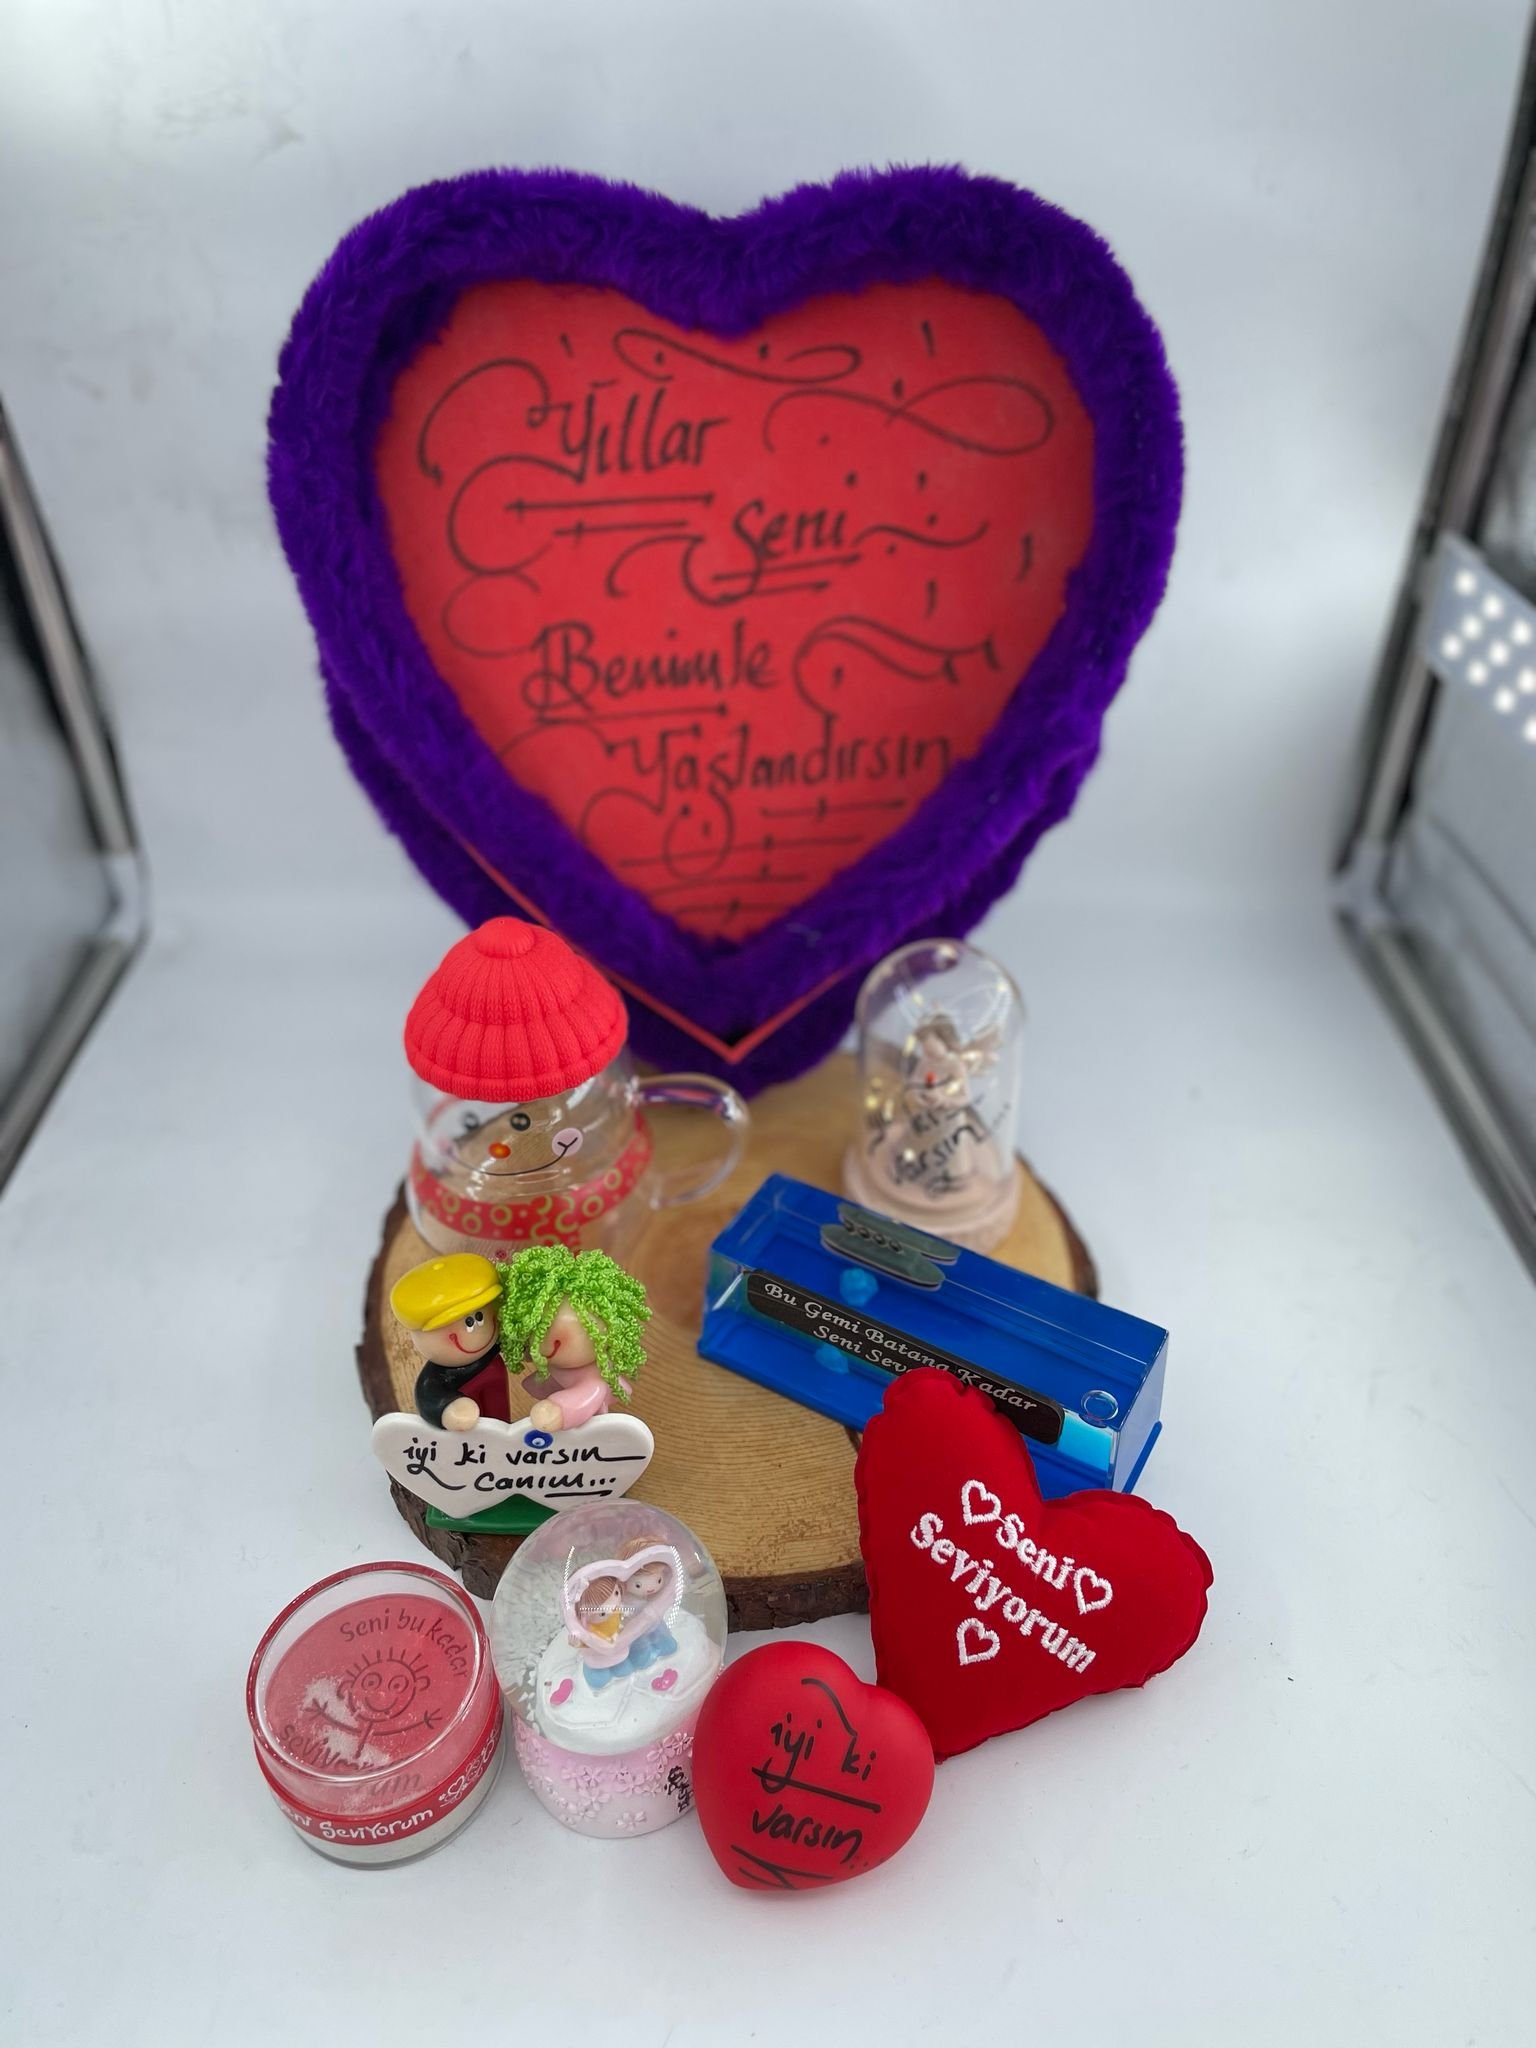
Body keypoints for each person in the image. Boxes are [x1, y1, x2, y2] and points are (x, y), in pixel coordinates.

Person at [496, 1243, 650, 1434]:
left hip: (588, 1436)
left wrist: (557, 1411)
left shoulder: (594, 1380)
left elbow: (586, 1395)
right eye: (536, 1331)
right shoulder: (553, 1362)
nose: (539, 1343)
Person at [389, 1253, 511, 1432]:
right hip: (465, 1440)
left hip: (503, 1428)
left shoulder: (493, 1348)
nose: (477, 1332)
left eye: (480, 1316)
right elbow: (429, 1397)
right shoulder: (437, 1378)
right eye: (469, 1322)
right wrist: (449, 1408)